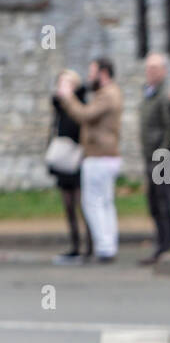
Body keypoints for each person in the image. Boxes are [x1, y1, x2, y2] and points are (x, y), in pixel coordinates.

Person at [56, 58, 122, 264]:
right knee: (104, 203)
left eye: (93, 72)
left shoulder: (107, 95)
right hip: (103, 156)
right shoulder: (108, 93)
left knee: (93, 203)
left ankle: (105, 247)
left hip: (99, 156)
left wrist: (67, 97)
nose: (89, 76)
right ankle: (108, 245)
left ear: (103, 73)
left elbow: (85, 115)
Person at [138, 53, 170, 265]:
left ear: (163, 71)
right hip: (150, 157)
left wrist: (162, 154)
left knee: (165, 203)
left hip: (162, 159)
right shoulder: (149, 93)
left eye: (154, 69)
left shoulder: (164, 95)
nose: (150, 72)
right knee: (154, 203)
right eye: (148, 68)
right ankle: (161, 244)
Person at [49, 69, 88, 264]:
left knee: (82, 204)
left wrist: (70, 99)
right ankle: (75, 245)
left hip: (78, 158)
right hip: (64, 158)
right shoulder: (60, 106)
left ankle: (90, 246)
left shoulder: (80, 102)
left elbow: (80, 123)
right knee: (68, 206)